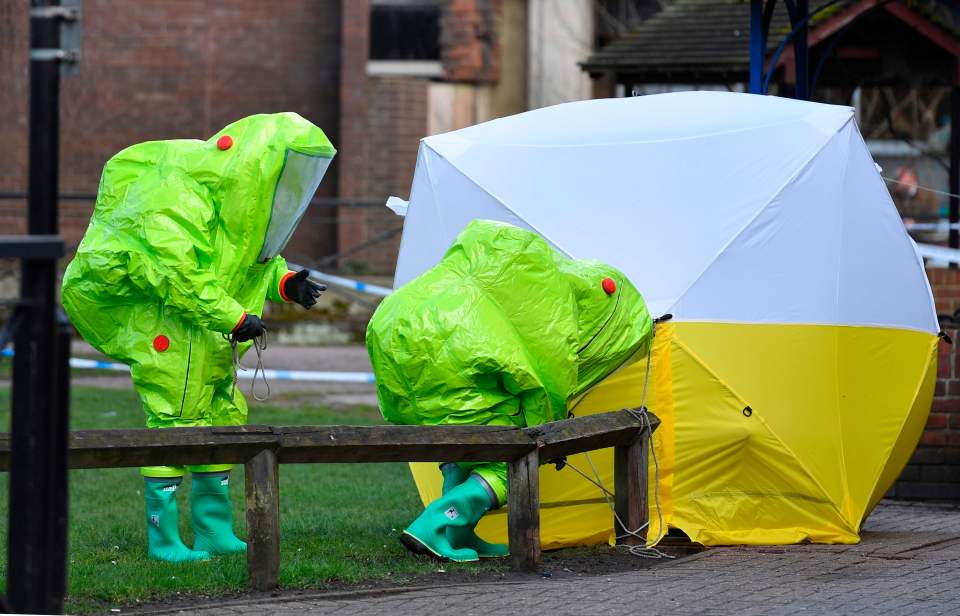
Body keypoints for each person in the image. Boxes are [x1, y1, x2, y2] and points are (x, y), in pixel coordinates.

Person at [61, 113, 334, 562]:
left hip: (207, 334)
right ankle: (165, 539)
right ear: (258, 164)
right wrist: (233, 317)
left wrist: (286, 283)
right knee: (174, 420)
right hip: (170, 327)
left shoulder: (236, 207)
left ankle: (213, 530)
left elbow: (247, 259)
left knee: (221, 419)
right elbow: (180, 274)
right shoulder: (175, 196)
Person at [366, 219, 653, 561]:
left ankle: (459, 535)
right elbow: (545, 387)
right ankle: (435, 526)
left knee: (463, 438)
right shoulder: (548, 314)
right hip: (445, 354)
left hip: (396, 342)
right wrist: (546, 434)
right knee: (509, 461)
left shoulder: (510, 278)